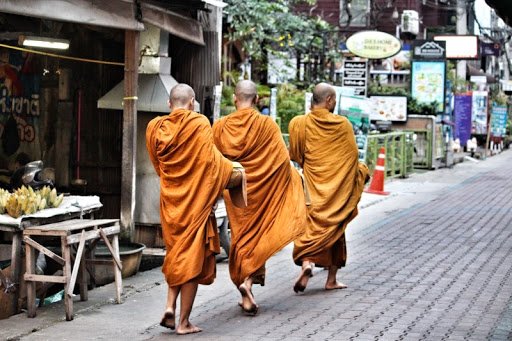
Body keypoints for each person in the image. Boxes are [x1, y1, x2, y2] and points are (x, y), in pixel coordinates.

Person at [146, 83, 245, 334]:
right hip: (195, 203)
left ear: (170, 104)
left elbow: (158, 165)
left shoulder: (155, 128)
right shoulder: (199, 124)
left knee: (176, 253)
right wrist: (234, 170)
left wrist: (173, 181)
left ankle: (170, 306)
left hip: (171, 203)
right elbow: (211, 164)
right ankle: (183, 322)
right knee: (192, 259)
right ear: (192, 103)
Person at [213, 80, 307, 314]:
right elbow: (282, 162)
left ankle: (246, 285)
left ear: (235, 99)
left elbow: (213, 161)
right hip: (263, 194)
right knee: (259, 237)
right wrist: (294, 182)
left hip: (237, 195)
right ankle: (247, 283)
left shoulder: (221, 126)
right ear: (256, 100)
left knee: (241, 237)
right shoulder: (267, 125)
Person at [288, 82, 370, 293]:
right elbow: (352, 160)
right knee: (336, 227)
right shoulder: (342, 125)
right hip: (336, 191)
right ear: (329, 101)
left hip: (313, 188)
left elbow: (295, 154)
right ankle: (331, 279)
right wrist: (362, 172)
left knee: (311, 227)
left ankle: (308, 263)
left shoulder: (299, 123)